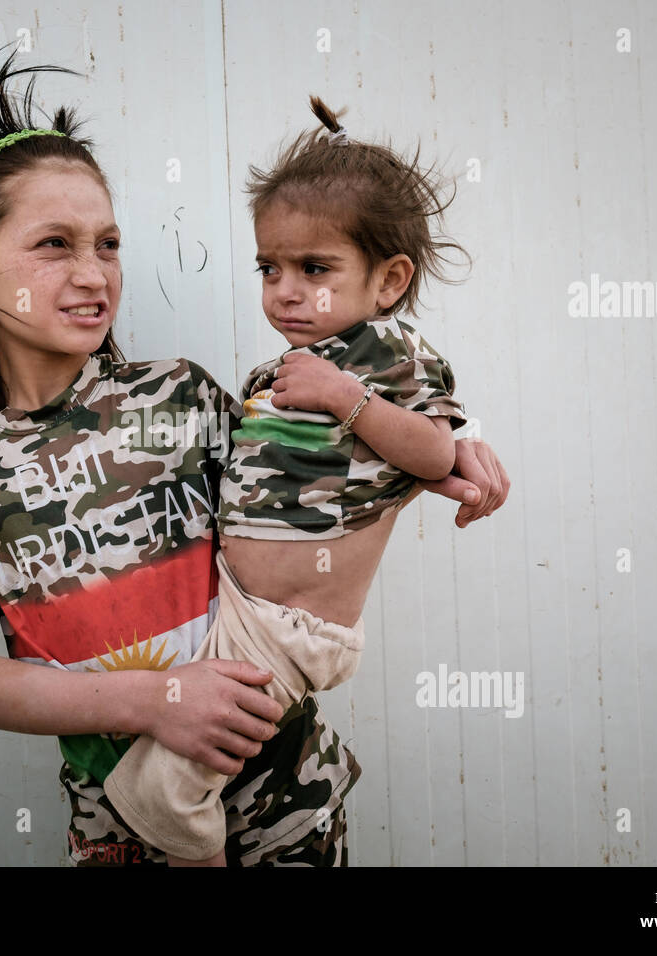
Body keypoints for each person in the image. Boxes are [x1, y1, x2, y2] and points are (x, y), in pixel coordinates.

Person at [0, 48, 510, 867]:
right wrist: (157, 700)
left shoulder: (177, 399)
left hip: (285, 797)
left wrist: (454, 444)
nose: (93, 274)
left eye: (108, 244)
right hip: (128, 824)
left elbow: (317, 473)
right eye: (54, 245)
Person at [102, 95, 493, 866]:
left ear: (389, 281)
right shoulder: (274, 373)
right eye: (269, 267)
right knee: (162, 745)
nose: (284, 289)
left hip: (286, 630)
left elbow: (436, 453)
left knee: (161, 792)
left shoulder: (392, 355)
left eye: (314, 269)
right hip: (233, 603)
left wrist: (352, 400)